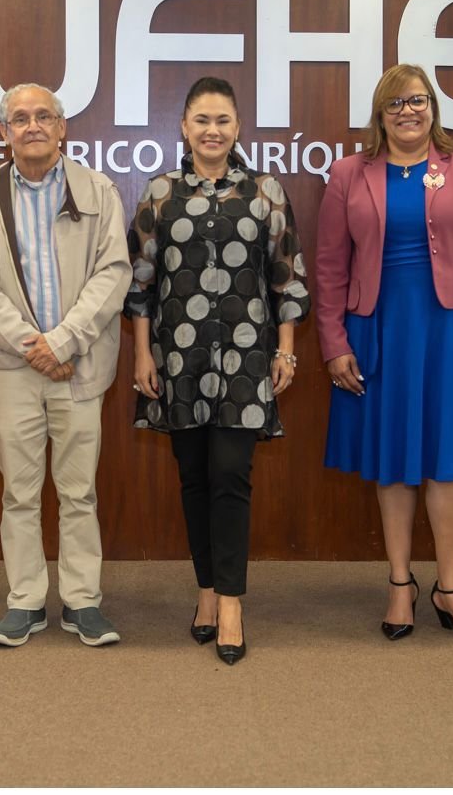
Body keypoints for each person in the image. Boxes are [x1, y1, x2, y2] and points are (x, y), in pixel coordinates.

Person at [316, 64, 453, 643]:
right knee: (395, 461)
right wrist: (333, 342)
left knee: (449, 461)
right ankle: (400, 585)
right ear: (379, 114)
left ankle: (450, 589)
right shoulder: (348, 174)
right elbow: (329, 268)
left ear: (433, 107)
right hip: (379, 331)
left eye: (418, 100)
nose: (408, 111)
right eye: (395, 103)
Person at [125, 76, 309, 666]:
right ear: (184, 126)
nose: (212, 131)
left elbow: (287, 276)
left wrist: (285, 350)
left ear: (237, 127)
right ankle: (205, 591)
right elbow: (140, 283)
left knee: (231, 474)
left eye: (222, 120)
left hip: (247, 359)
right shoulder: (160, 193)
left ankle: (230, 603)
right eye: (201, 120)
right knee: (194, 478)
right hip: (178, 360)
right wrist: (142, 354)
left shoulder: (265, 191)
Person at [0, 82, 130, 648]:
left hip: (79, 366)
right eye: (19, 118)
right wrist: (32, 345)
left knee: (79, 492)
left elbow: (113, 273)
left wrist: (62, 343)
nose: (31, 126)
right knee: (19, 492)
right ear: (3, 132)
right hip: (10, 370)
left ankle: (83, 601)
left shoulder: (97, 190)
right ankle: (26, 601)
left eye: (43, 116)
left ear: (62, 127)